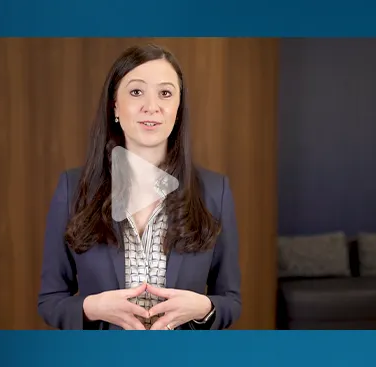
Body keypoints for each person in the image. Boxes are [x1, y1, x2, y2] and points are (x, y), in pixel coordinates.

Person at [37, 43, 241, 330]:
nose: (151, 106)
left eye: (165, 93)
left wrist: (204, 308)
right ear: (115, 105)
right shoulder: (72, 189)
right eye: (136, 92)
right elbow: (50, 300)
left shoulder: (215, 191)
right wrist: (91, 308)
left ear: (178, 108)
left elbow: (230, 300)